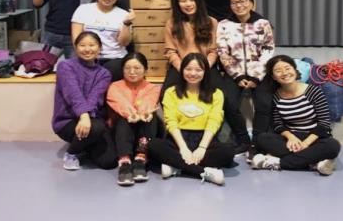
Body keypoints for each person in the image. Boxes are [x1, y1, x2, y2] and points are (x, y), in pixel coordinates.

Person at [162, 0, 252, 153]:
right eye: (182, 0)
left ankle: (244, 140)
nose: (187, 4)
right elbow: (170, 51)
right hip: (181, 67)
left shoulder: (211, 22)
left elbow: (214, 50)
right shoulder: (172, 23)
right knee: (164, 94)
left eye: (191, 0)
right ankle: (174, 137)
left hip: (206, 67)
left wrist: (203, 68)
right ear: (177, 4)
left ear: (198, 1)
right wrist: (184, 69)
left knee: (227, 99)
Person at [148, 53, 235, 186]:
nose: (193, 73)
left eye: (198, 70)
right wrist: (183, 148)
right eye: (188, 69)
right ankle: (203, 172)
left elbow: (214, 121)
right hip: (178, 139)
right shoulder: (171, 92)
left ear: (205, 72)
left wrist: (202, 147)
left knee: (228, 152)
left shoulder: (216, 93)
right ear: (182, 70)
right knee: (153, 145)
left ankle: (176, 167)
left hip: (205, 139)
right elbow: (171, 122)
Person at [251, 55, 341, 176]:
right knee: (263, 138)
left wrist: (305, 144)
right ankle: (313, 162)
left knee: (333, 146)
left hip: (315, 138)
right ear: (273, 77)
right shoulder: (276, 96)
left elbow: (324, 123)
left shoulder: (313, 91)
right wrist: (291, 137)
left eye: (288, 68)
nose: (284, 73)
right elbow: (278, 124)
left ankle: (275, 162)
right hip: (292, 139)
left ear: (295, 70)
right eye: (278, 71)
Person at [217, 0, 275, 160]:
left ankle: (258, 143)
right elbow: (222, 52)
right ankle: (243, 140)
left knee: (264, 104)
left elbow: (268, 49)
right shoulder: (224, 24)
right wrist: (238, 76)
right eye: (234, 3)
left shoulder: (263, 23)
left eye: (243, 1)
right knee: (228, 103)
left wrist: (256, 76)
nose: (239, 5)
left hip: (260, 72)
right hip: (234, 72)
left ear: (251, 3)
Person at [52, 31, 116, 171]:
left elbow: (95, 98)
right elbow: (73, 94)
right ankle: (72, 153)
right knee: (97, 127)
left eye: (92, 45)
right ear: (76, 48)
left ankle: (84, 144)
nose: (87, 49)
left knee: (109, 161)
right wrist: (84, 115)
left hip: (90, 118)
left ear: (99, 48)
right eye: (82, 45)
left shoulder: (104, 74)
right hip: (67, 121)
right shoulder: (65, 66)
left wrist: (87, 116)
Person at [106, 52, 161, 186]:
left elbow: (148, 103)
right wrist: (131, 115)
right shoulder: (114, 86)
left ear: (145, 70)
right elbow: (120, 104)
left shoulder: (153, 88)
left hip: (143, 130)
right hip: (121, 131)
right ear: (122, 70)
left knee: (151, 117)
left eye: (137, 68)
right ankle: (124, 161)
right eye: (127, 68)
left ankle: (141, 158)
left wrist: (143, 114)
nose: (132, 72)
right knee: (123, 118)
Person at [71, 0, 135, 81]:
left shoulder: (123, 14)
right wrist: (87, 55)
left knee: (106, 73)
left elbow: (124, 43)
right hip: (88, 55)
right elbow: (76, 40)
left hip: (114, 57)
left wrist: (127, 23)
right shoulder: (83, 10)